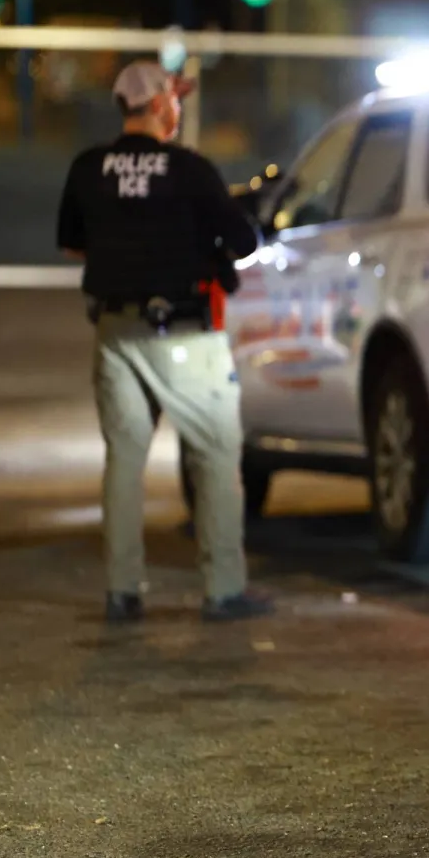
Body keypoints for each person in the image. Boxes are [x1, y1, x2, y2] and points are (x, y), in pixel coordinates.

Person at [56, 59, 272, 624]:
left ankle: (123, 591)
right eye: (174, 98)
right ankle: (223, 590)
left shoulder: (87, 168)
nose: (178, 107)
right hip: (184, 336)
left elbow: (74, 245)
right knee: (217, 454)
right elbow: (244, 242)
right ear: (156, 106)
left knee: (124, 462)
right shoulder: (189, 170)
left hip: (114, 335)